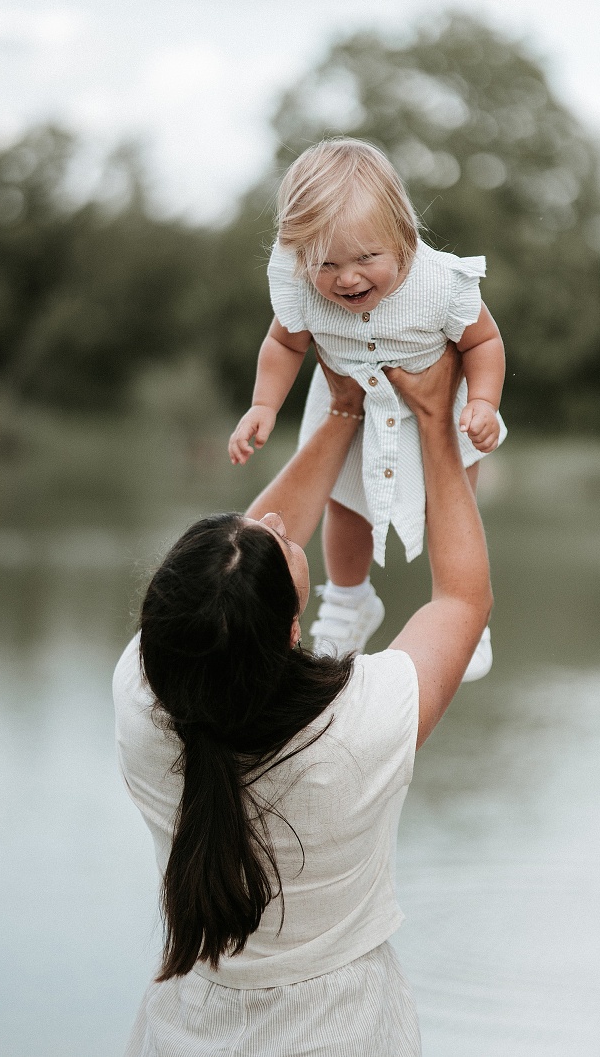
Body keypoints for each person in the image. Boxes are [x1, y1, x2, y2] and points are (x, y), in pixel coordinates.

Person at [114, 346, 492, 1056]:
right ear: (292, 632)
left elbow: (227, 593)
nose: (279, 525)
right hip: (344, 1031)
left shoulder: (140, 694)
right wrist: (437, 424)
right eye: (284, 546)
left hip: (187, 1026)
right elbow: (463, 599)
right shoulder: (360, 725)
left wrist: (344, 409)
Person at [228, 138, 505, 679]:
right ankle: (349, 601)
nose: (347, 279)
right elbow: (285, 345)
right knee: (344, 506)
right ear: (297, 253)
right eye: (325, 264)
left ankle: (468, 620)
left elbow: (483, 342)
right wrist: (263, 406)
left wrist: (483, 402)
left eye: (366, 260)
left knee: (454, 506)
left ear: (403, 237)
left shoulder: (441, 283)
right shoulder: (301, 288)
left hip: (439, 411)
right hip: (349, 411)